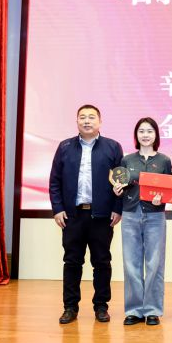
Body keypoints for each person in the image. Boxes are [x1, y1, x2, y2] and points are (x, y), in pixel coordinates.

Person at [49, 104, 123, 324]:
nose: (87, 121)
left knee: (102, 262)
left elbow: (122, 180)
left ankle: (101, 306)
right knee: (72, 262)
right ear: (77, 121)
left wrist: (117, 208)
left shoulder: (112, 147)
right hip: (72, 216)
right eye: (82, 117)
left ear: (100, 121)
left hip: (102, 216)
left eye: (91, 117)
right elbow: (55, 181)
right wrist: (58, 209)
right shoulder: (65, 147)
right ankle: (70, 307)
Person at [113, 117, 172, 326]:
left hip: (155, 216)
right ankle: (134, 310)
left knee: (155, 263)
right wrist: (117, 190)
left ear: (156, 135)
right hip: (130, 214)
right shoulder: (127, 160)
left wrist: (161, 198)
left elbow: (168, 190)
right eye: (141, 131)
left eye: (149, 131)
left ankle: (153, 310)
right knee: (131, 263)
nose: (145, 135)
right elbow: (120, 184)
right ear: (136, 135)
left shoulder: (164, 161)